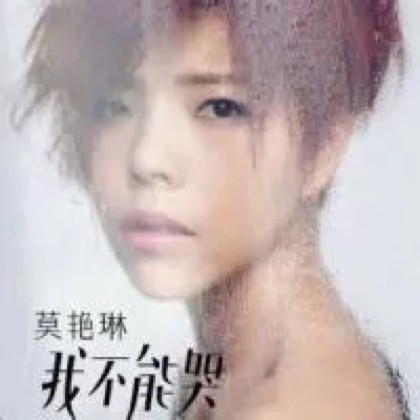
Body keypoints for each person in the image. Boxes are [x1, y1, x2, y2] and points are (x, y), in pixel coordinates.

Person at [17, 0, 410, 418]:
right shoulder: (235, 369)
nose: (147, 158)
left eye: (220, 108)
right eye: (114, 106)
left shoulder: (298, 404)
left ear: (327, 143)